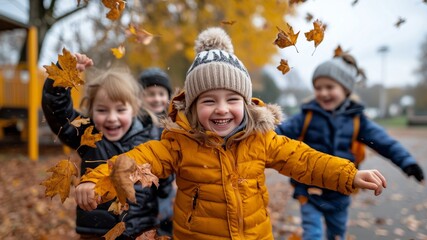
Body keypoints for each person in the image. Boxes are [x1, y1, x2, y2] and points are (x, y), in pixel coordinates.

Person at [74, 27, 387, 240]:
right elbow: (138, 158)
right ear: (193, 107)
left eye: (232, 100)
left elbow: (303, 160)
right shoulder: (179, 144)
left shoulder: (260, 139)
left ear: (247, 103)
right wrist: (97, 179)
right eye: (209, 101)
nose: (222, 109)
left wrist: (348, 174)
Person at [275, 53, 425, 240]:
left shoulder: (357, 120)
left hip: (341, 191)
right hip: (310, 190)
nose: (323, 93)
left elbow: (385, 142)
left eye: (329, 87)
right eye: (318, 88)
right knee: (312, 234)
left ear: (345, 89)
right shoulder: (306, 116)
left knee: (337, 234)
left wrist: (407, 162)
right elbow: (277, 133)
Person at [42, 55, 169, 239]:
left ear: (134, 109)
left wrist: (166, 224)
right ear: (91, 110)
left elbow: (164, 184)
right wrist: (64, 74)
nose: (111, 118)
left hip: (142, 229)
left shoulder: (151, 137)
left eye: (120, 110)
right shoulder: (88, 135)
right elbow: (58, 113)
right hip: (96, 231)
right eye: (102, 110)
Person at [139, 68, 176, 236]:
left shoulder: (171, 124)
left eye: (161, 94)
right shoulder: (136, 122)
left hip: (166, 184)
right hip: (142, 182)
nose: (157, 99)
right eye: (151, 94)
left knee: (165, 222)